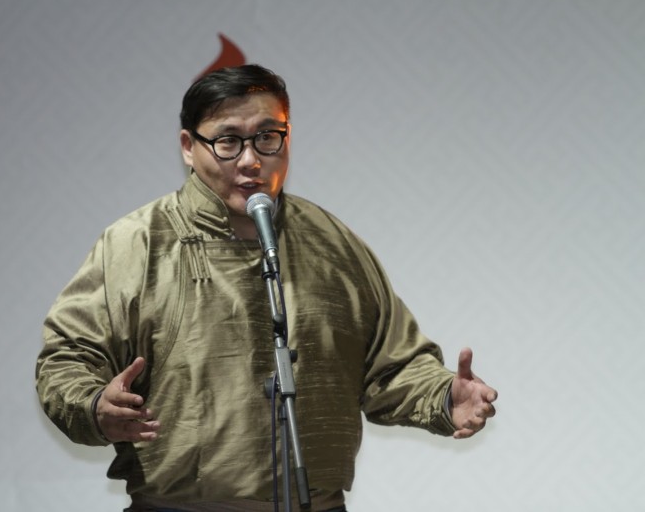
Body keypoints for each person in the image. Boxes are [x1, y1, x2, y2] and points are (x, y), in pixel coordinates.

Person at [36, 64, 497, 512]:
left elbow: (391, 365)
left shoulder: (331, 243)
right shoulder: (137, 243)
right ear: (188, 147)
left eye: (267, 137)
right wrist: (93, 406)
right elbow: (67, 359)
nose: (251, 160)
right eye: (228, 142)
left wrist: (443, 396)